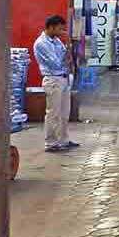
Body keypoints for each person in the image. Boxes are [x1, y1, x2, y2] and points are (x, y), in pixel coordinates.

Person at [33, 15, 77, 152]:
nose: (61, 32)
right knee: (53, 113)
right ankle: (51, 143)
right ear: (51, 27)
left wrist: (69, 45)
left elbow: (67, 57)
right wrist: (67, 57)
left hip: (63, 79)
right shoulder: (41, 43)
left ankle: (63, 140)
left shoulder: (56, 41)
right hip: (53, 80)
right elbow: (56, 63)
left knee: (64, 113)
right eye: (59, 29)